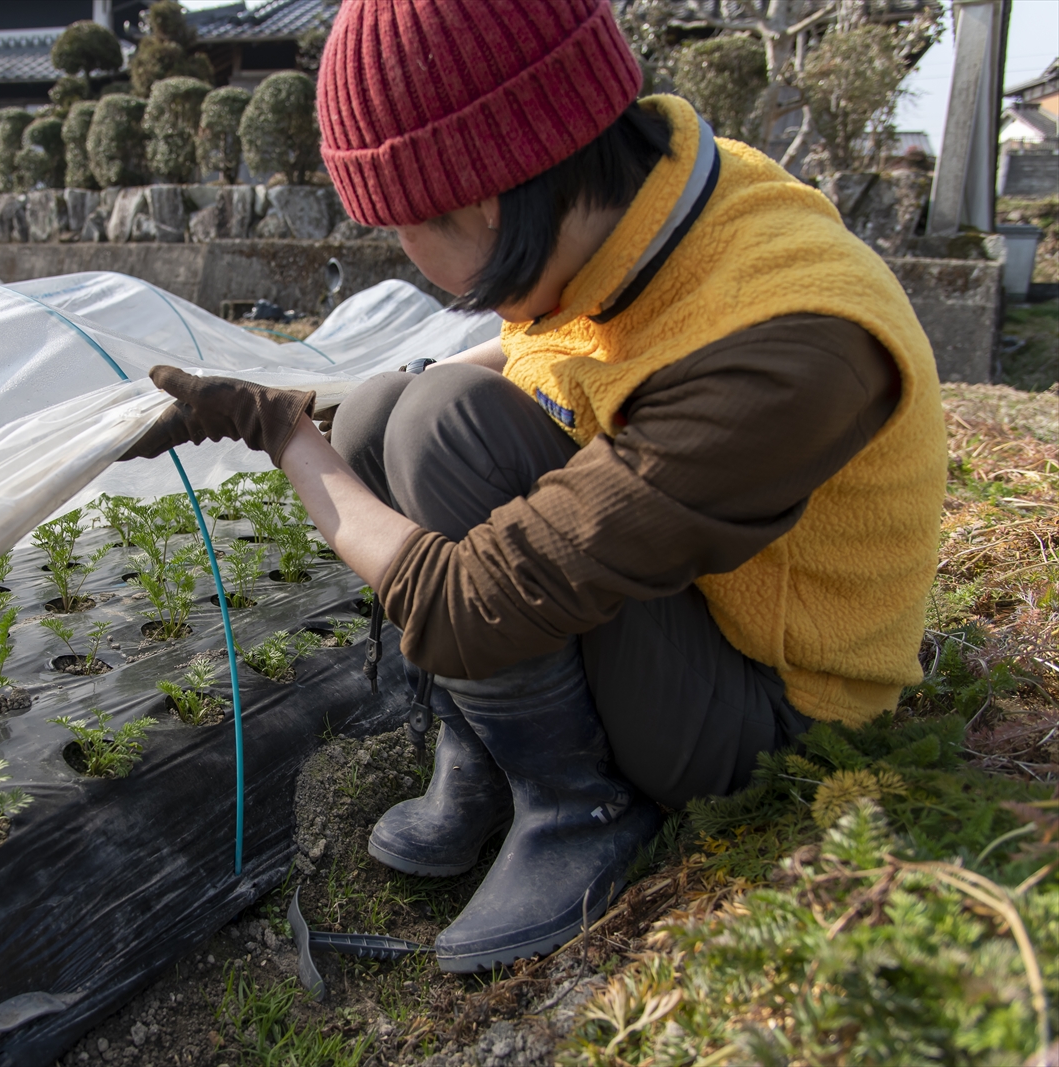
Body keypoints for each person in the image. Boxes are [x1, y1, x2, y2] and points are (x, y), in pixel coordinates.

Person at [121, 0, 945, 973]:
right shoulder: (634, 202)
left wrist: (283, 437)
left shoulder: (783, 343)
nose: (406, 255)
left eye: (399, 225)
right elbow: (525, 357)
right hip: (688, 608)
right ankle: (488, 760)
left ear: (479, 203)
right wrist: (326, 409)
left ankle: (575, 802)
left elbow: (464, 604)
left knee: (437, 423)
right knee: (395, 401)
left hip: (770, 711)